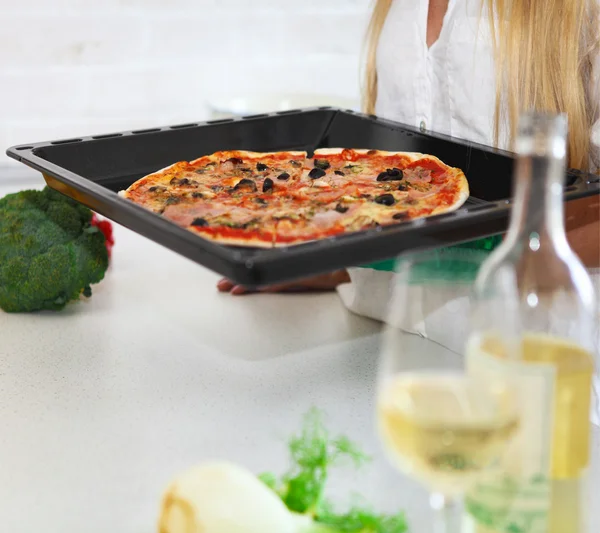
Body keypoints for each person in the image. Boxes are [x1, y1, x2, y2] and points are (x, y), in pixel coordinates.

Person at [218, 0, 600, 330]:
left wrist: (467, 261)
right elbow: (391, 186)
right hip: (378, 341)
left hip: (529, 358)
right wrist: (337, 261)